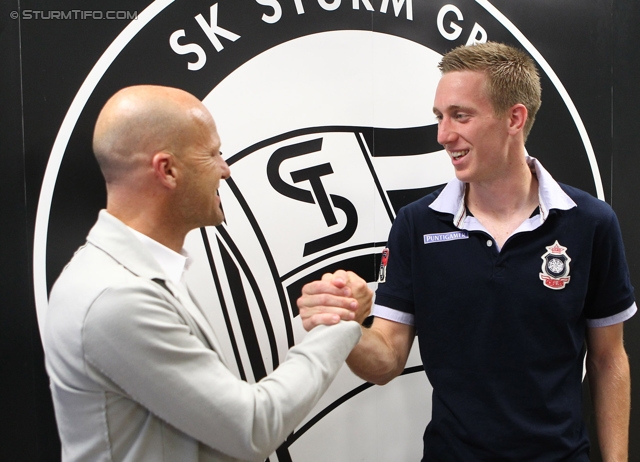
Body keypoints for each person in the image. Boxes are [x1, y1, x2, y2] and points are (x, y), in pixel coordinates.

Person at [297, 42, 636, 461]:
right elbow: (385, 360)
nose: (443, 135)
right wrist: (346, 326)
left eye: (461, 115)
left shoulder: (590, 222)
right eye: (440, 117)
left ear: (515, 118)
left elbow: (608, 360)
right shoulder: (416, 225)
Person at [43, 85, 369, 462]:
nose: (225, 170)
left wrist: (326, 320)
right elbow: (251, 428)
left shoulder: (130, 274)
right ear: (167, 170)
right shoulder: (117, 298)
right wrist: (341, 322)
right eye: (213, 154)